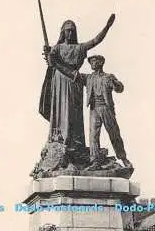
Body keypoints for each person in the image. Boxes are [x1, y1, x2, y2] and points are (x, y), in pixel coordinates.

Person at [39, 16, 116, 152]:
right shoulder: (57, 48)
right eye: (68, 30)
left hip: (75, 82)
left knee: (73, 111)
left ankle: (75, 143)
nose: (70, 33)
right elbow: (51, 63)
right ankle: (60, 139)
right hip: (59, 81)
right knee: (61, 109)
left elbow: (95, 41)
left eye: (72, 31)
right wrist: (49, 54)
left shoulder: (79, 48)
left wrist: (107, 27)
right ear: (63, 32)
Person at [79, 55, 132, 169]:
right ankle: (95, 161)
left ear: (101, 63)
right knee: (93, 135)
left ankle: (123, 158)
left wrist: (116, 84)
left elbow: (120, 89)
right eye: (91, 62)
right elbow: (73, 75)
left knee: (114, 133)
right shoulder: (88, 78)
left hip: (106, 108)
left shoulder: (109, 77)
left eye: (94, 61)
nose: (92, 64)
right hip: (94, 109)